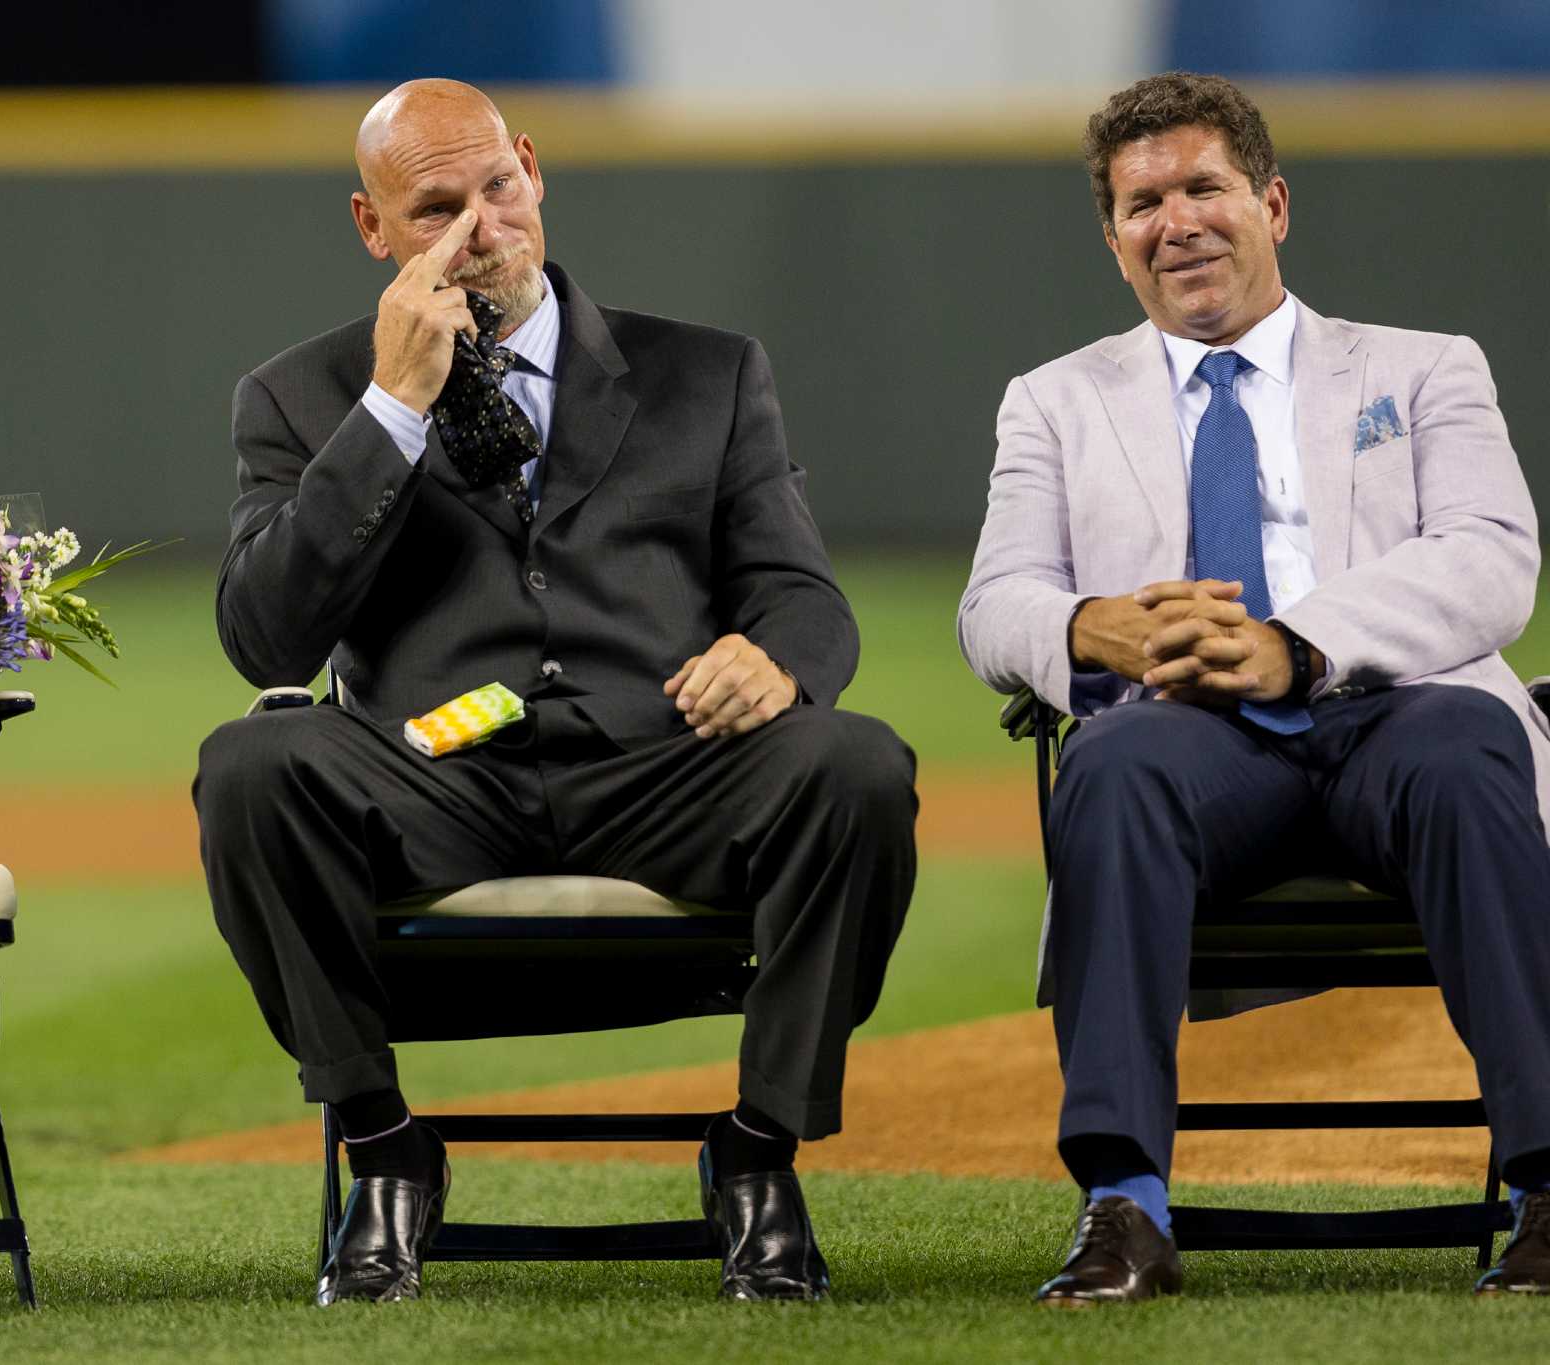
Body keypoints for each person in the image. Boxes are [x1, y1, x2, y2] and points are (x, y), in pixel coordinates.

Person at [196, 79, 917, 1306]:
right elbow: (266, 639)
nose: (481, 226)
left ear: (531, 170)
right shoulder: (302, 396)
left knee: (855, 764)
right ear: (372, 229)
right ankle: (382, 1147)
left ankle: (758, 1152)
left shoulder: (705, 372)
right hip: (431, 778)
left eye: (496, 187)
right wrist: (390, 409)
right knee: (250, 767)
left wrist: (776, 658)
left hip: (663, 761)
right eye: (434, 207)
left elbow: (801, 595)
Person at [959, 71, 1550, 1305]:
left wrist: (1297, 645)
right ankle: (1122, 1207)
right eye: (1141, 202)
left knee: (1465, 746)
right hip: (1189, 743)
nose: (1175, 220)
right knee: (1108, 763)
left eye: (1202, 188)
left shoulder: (1424, 367)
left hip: (1394, 711)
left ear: (1270, 204)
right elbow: (992, 605)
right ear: (1112, 238)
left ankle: (1546, 1188)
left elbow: (1492, 561)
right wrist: (1087, 626)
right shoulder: (1053, 403)